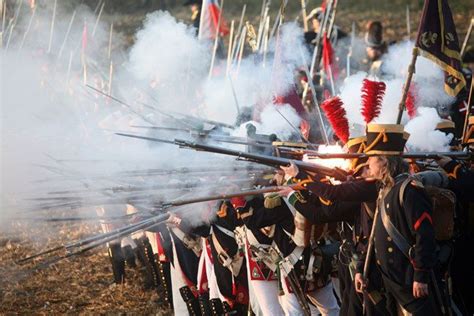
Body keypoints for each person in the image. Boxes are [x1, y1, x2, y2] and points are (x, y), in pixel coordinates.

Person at [365, 123, 446, 315]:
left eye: (371, 159)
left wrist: (421, 275)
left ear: (384, 162)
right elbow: (375, 238)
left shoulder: (409, 190)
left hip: (409, 279)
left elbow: (424, 234)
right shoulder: (384, 190)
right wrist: (364, 270)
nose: (368, 164)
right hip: (392, 280)